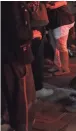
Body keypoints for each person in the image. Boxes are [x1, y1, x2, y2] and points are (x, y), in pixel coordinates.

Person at [2, 1, 41, 130]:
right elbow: (18, 32)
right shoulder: (13, 4)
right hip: (17, 55)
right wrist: (32, 34)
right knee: (22, 96)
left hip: (9, 55)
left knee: (13, 93)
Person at [28, 1, 55, 97]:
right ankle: (37, 88)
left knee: (35, 56)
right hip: (35, 20)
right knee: (37, 56)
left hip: (33, 21)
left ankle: (33, 86)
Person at [46, 1, 75, 76]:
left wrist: (48, 4)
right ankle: (58, 65)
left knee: (61, 46)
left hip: (61, 21)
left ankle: (65, 69)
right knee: (56, 45)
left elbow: (61, 2)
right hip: (55, 22)